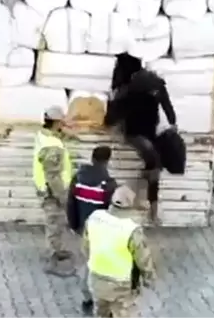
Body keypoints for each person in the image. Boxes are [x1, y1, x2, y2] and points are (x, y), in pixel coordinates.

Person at [105, 62, 177, 224]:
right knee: (155, 164)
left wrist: (111, 103)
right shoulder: (156, 86)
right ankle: (153, 210)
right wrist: (171, 124)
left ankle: (147, 195)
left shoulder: (128, 92)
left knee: (154, 163)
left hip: (136, 133)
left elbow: (110, 119)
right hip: (144, 132)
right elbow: (169, 112)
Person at [82, 186, 156, 317]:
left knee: (100, 312)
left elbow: (86, 246)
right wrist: (149, 278)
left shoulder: (94, 217)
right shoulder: (132, 229)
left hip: (96, 279)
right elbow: (143, 258)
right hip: (120, 284)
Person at [66, 145, 118, 315]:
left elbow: (71, 203)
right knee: (100, 265)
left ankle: (87, 296)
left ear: (92, 158)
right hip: (101, 230)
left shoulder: (78, 178)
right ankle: (98, 298)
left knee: (88, 261)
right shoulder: (108, 185)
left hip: (83, 228)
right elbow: (112, 212)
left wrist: (74, 225)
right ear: (107, 161)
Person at [33, 105, 77, 277]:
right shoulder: (52, 146)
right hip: (52, 192)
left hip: (45, 188)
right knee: (54, 224)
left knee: (55, 224)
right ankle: (52, 261)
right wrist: (63, 197)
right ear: (57, 122)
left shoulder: (43, 136)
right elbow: (53, 176)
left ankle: (57, 250)